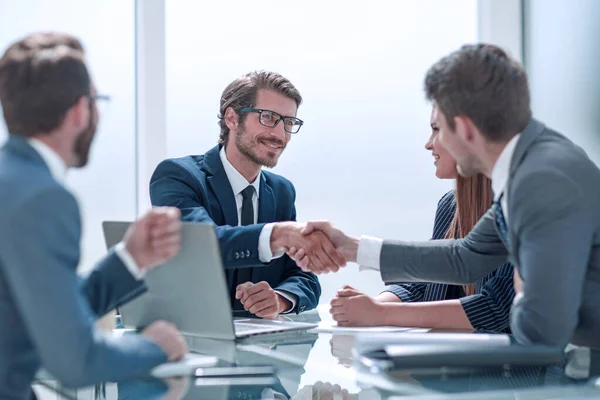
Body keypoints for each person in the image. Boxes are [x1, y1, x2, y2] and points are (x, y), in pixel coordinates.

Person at [295, 44, 600, 349]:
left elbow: (540, 332)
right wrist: (349, 247)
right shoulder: (529, 168)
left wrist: (522, 291)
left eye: (438, 128)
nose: (434, 142)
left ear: (465, 129)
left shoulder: (542, 179)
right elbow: (465, 257)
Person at [0, 33, 188, 398]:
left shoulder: (13, 182)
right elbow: (75, 361)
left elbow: (48, 318)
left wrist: (130, 258)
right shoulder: (44, 198)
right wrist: (155, 346)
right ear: (80, 110)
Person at [150, 71, 344, 319]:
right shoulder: (178, 176)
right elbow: (202, 245)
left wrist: (280, 299)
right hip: (187, 340)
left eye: (288, 122)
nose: (280, 134)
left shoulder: (282, 191)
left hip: (260, 348)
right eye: (268, 117)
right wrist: (278, 235)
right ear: (231, 118)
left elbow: (304, 276)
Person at [327, 106, 514, 330]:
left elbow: (495, 308)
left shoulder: (521, 207)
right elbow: (427, 286)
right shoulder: (450, 206)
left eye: (437, 130)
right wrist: (371, 304)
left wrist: (379, 313)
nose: (428, 143)